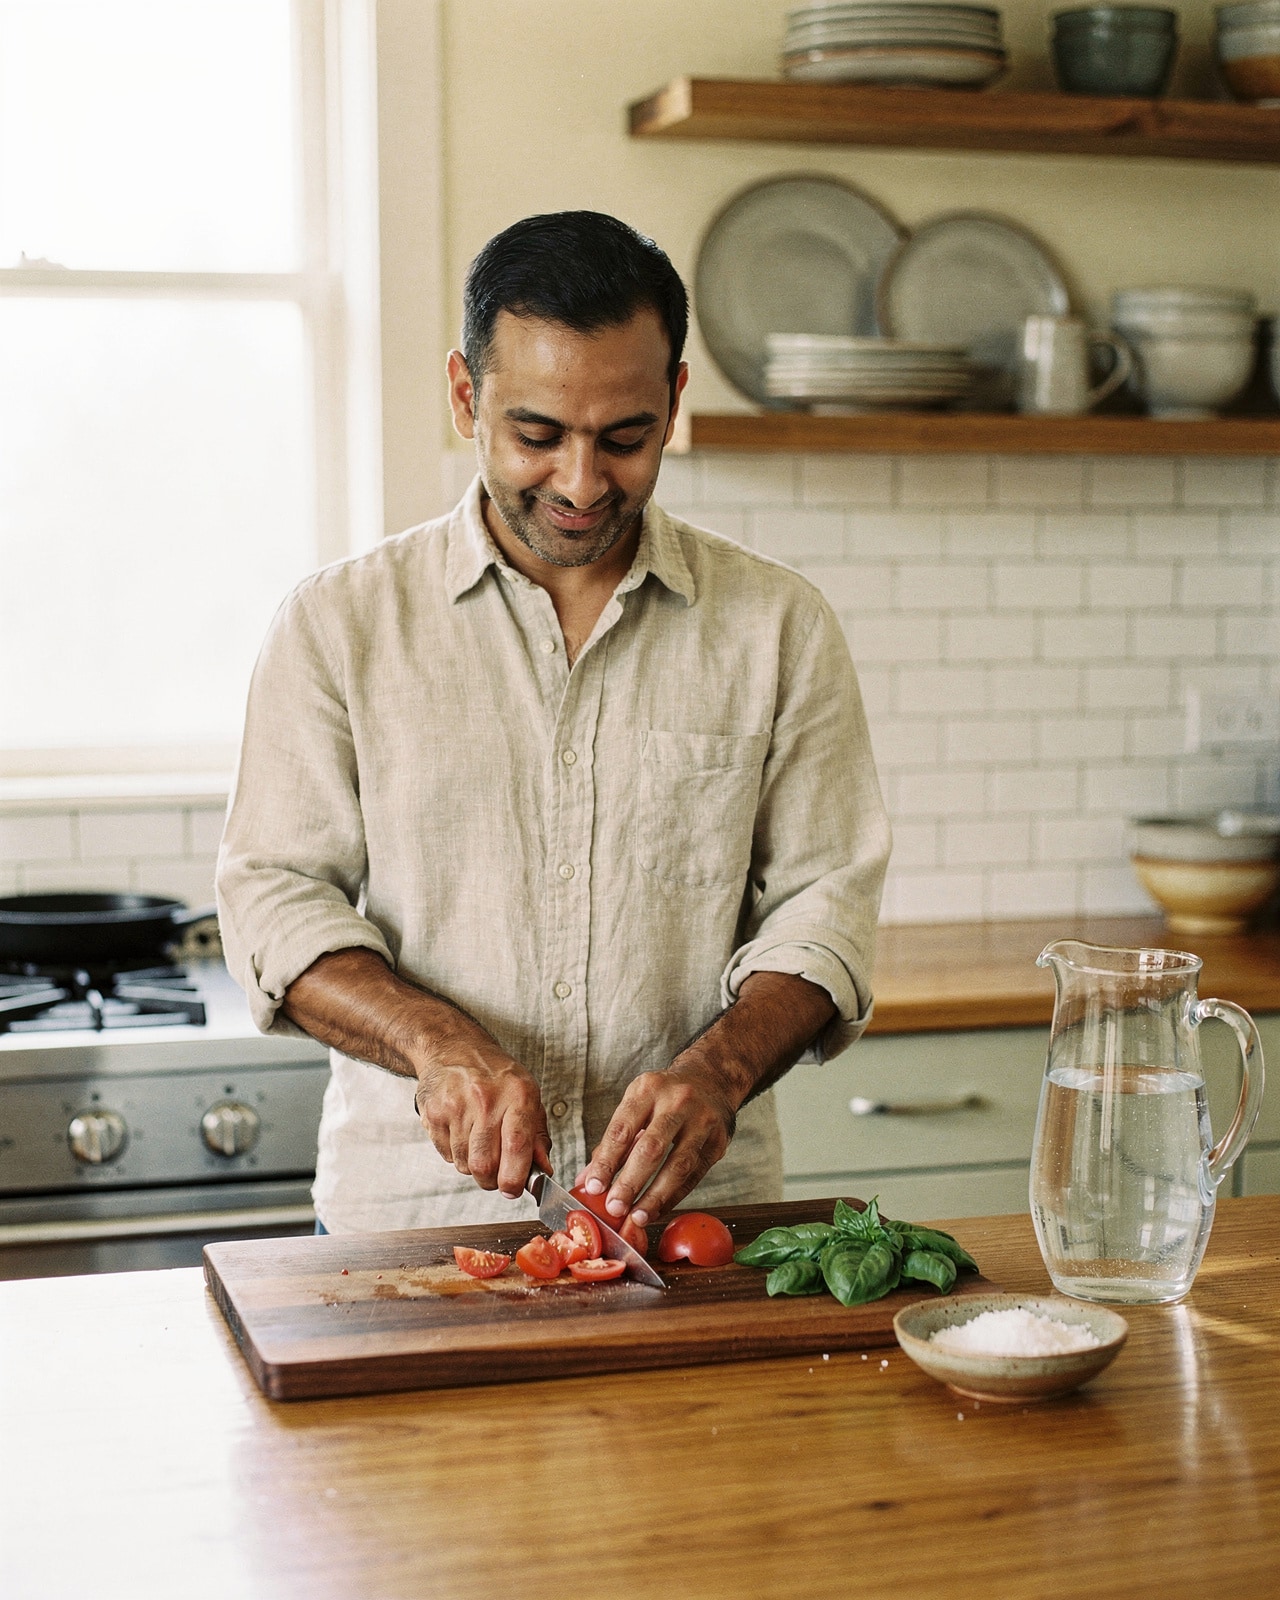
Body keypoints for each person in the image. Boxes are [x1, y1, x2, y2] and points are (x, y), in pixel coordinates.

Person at [216, 210, 890, 1237]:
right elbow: (272, 898)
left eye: (623, 438)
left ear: (671, 402)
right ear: (463, 396)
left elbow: (823, 906)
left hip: (696, 1225)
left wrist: (718, 1070)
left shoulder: (776, 626)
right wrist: (433, 1040)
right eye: (536, 435)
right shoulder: (337, 625)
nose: (580, 484)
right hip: (410, 1220)